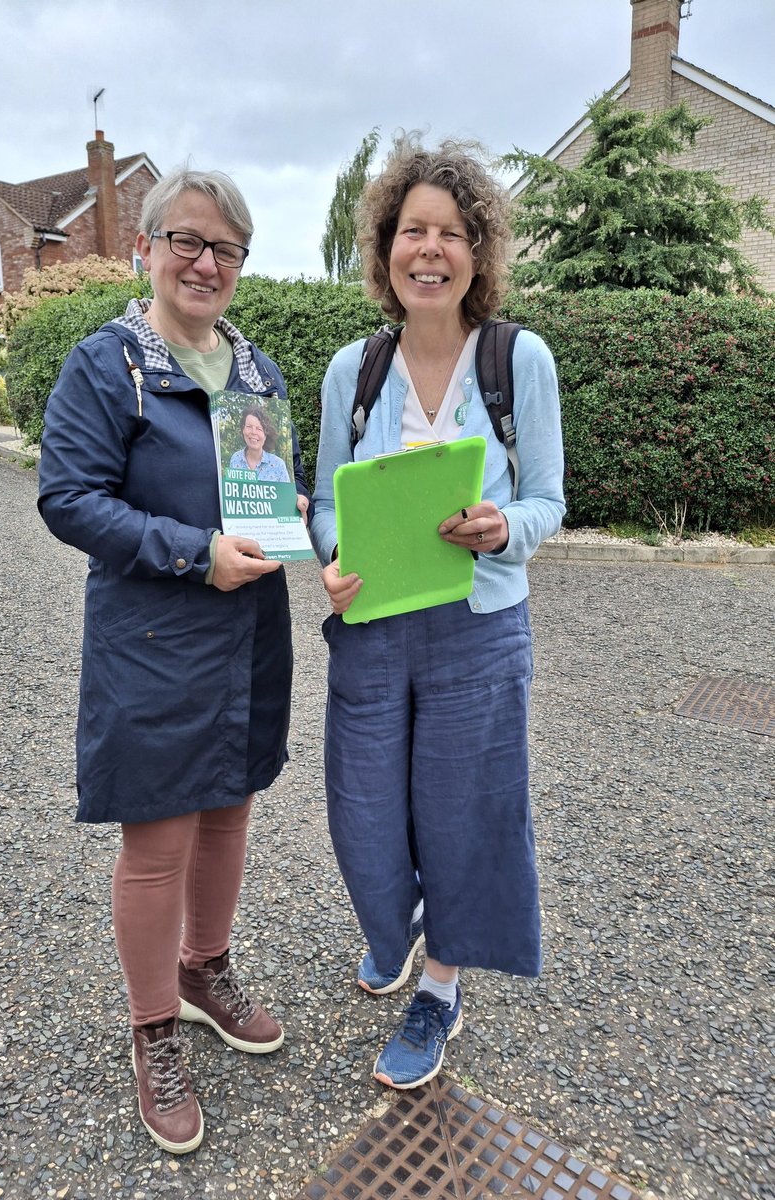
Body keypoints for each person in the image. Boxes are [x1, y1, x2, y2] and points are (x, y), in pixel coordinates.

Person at [38, 167, 310, 1154]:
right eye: (187, 241)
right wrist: (197, 553)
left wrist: (295, 512)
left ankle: (205, 967)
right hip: (154, 635)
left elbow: (268, 485)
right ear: (145, 250)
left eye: (226, 248)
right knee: (158, 841)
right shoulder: (106, 366)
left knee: (230, 805)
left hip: (249, 630)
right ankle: (154, 1025)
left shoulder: (256, 370)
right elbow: (70, 498)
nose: (206, 262)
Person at [309, 135, 566, 1090]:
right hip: (374, 627)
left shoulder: (516, 359)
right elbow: (325, 499)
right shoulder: (353, 370)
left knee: (463, 816)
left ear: (477, 251)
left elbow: (547, 498)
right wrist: (332, 555)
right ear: (385, 249)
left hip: (479, 630)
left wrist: (504, 529)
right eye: (412, 230)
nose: (430, 249)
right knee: (364, 816)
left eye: (451, 233)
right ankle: (395, 927)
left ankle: (440, 988)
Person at [229, 405, 291, 481]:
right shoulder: (235, 459)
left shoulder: (278, 465)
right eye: (249, 426)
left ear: (265, 435)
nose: (253, 432)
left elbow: (286, 489)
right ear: (243, 430)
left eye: (259, 429)